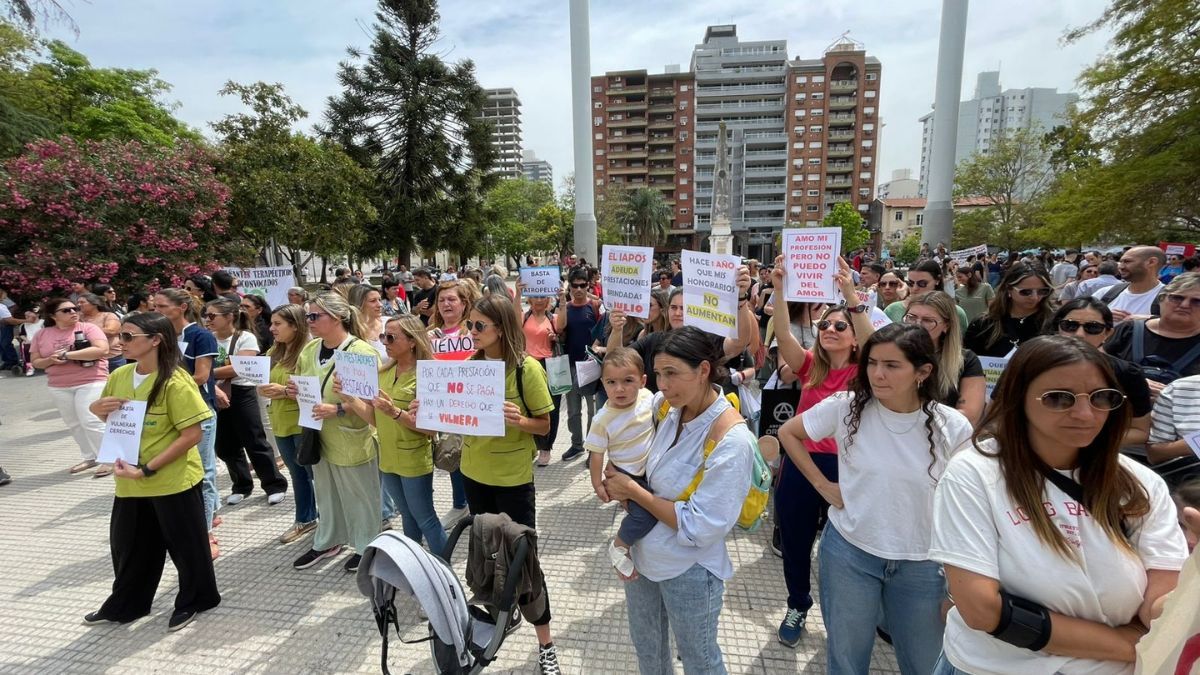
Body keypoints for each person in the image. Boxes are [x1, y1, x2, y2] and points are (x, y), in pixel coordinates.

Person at [929, 336, 1188, 674]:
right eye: (1058, 399)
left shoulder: (1141, 484)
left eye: (1101, 398)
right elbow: (982, 609)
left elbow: (1160, 608)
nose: (1084, 414)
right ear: (1018, 398)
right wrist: (1133, 645)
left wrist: (1191, 591)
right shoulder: (975, 472)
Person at [778, 324, 974, 674]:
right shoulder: (846, 407)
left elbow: (967, 509)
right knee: (847, 660)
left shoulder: (953, 427)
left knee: (925, 663)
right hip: (849, 554)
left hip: (922, 565)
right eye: (872, 363)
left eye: (892, 365)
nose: (878, 374)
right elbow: (788, 433)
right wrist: (823, 485)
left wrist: (959, 586)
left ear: (923, 371)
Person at [414, 293, 561, 673]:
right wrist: (422, 410)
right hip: (474, 476)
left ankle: (545, 645)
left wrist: (520, 421)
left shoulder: (526, 370)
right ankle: (500, 610)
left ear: (501, 328)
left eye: (480, 326)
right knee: (487, 553)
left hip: (512, 481)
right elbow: (445, 422)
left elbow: (544, 426)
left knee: (524, 563)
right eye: (470, 325)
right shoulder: (468, 367)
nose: (472, 332)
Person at [602, 326, 754, 674]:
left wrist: (634, 491)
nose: (663, 385)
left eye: (672, 374)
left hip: (689, 571)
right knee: (649, 652)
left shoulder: (731, 441)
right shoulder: (664, 409)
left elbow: (700, 526)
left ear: (703, 370)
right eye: (658, 374)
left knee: (699, 659)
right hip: (642, 559)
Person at [84, 312, 221, 631]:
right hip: (129, 480)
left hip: (172, 480)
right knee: (129, 546)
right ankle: (127, 604)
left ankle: (197, 599)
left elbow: (192, 435)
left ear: (156, 340)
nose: (120, 343)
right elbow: (114, 420)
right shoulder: (120, 375)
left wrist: (146, 469)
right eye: (120, 337)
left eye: (128, 337)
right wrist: (96, 410)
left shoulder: (175, 380)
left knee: (187, 548)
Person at [768, 260, 871, 647]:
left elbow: (873, 339)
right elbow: (782, 332)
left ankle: (843, 612)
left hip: (846, 468)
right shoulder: (810, 366)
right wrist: (779, 290)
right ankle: (797, 603)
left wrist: (849, 294)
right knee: (794, 541)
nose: (829, 329)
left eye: (839, 326)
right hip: (800, 463)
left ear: (855, 338)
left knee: (842, 549)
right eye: (825, 324)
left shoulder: (867, 372)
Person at [287, 292, 381, 573]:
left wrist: (339, 408)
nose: (309, 321)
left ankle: (368, 545)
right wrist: (294, 392)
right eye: (308, 316)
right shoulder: (309, 350)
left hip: (351, 434)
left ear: (338, 317)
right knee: (326, 492)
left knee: (360, 494)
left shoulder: (361, 353)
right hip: (318, 434)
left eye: (315, 316)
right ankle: (329, 539)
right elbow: (305, 386)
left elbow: (374, 400)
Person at [337, 315, 446, 556]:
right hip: (387, 457)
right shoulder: (383, 373)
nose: (384, 341)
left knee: (425, 518)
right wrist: (349, 398)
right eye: (382, 336)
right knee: (407, 516)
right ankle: (415, 565)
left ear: (412, 341)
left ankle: (443, 570)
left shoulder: (428, 375)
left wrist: (396, 412)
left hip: (413, 458)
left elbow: (430, 428)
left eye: (391, 337)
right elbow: (377, 420)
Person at [152, 289, 221, 558]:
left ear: (181, 307)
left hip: (198, 411)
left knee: (204, 473)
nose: (156, 310)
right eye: (154, 306)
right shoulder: (162, 337)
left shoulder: (199, 336)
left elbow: (202, 376)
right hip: (173, 413)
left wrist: (162, 391)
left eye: (162, 306)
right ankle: (211, 512)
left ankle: (205, 535)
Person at [205, 297, 288, 505]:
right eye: (207, 315)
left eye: (213, 315)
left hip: (242, 391)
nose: (208, 319)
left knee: (254, 439)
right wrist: (208, 376)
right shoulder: (208, 338)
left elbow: (238, 368)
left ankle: (273, 484)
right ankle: (241, 484)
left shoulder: (245, 337)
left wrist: (205, 373)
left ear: (229, 316)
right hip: (215, 391)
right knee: (224, 444)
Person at [586, 348, 656, 575]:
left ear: (643, 381)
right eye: (611, 382)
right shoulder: (602, 419)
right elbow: (596, 455)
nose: (619, 388)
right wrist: (597, 484)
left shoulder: (649, 398)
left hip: (653, 470)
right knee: (645, 516)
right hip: (629, 475)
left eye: (628, 380)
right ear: (603, 384)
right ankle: (620, 545)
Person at [29, 297, 111, 476]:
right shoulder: (42, 335)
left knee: (91, 420)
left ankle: (110, 459)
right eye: (66, 310)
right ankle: (90, 456)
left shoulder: (88, 328)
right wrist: (49, 360)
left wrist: (67, 355)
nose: (73, 312)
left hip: (91, 379)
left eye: (74, 309)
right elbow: (35, 362)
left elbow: (102, 350)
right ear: (53, 315)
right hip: (58, 384)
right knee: (73, 423)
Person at [258, 304, 319, 544]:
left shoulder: (310, 351)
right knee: (297, 474)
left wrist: (283, 391)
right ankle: (306, 518)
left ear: (295, 325)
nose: (271, 328)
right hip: (281, 421)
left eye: (277, 324)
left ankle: (328, 519)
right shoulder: (275, 350)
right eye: (271, 323)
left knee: (313, 474)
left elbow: (314, 388)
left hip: (302, 422)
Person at [428, 280, 480, 526]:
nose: (446, 304)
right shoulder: (430, 334)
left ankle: (476, 503)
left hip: (471, 404)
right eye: (441, 300)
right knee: (451, 454)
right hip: (443, 405)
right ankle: (460, 503)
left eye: (452, 299)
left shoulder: (472, 331)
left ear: (464, 303)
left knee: (473, 454)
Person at [1103, 273, 1200, 399]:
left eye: (1197, 301)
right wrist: (1134, 382)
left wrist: (1172, 395)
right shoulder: (1128, 330)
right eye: (1177, 298)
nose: (1185, 305)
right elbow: (1098, 365)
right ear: (1161, 300)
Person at [901, 291, 986, 426]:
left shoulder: (966, 360)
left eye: (928, 321)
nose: (917, 325)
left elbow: (969, 415)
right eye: (911, 317)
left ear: (946, 326)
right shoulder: (892, 355)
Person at [557, 268, 602, 462]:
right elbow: (559, 328)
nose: (578, 289)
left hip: (591, 366)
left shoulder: (595, 306)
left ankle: (592, 449)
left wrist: (595, 350)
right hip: (569, 364)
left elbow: (602, 332)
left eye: (582, 285)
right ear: (570, 286)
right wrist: (560, 304)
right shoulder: (565, 308)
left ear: (588, 285)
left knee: (593, 411)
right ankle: (577, 445)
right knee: (574, 411)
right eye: (574, 285)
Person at [964, 262, 1056, 357]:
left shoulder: (1056, 321)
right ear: (1009, 289)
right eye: (1026, 292)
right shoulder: (983, 324)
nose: (1034, 297)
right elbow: (969, 362)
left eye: (1042, 291)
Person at [518, 285, 562, 468]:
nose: (539, 300)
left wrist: (555, 337)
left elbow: (562, 329)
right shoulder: (524, 316)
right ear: (529, 299)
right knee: (529, 406)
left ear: (548, 299)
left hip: (550, 365)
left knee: (552, 407)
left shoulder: (554, 318)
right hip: (529, 364)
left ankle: (546, 447)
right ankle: (534, 445)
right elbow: (513, 317)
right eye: (535, 296)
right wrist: (518, 292)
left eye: (543, 296)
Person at [884, 260, 969, 329]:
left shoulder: (956, 312)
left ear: (937, 280)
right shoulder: (892, 310)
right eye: (910, 283)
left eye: (922, 283)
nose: (915, 288)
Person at [1094, 245, 1167, 322]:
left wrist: (1150, 321)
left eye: (1127, 261)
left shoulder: (1170, 298)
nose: (1120, 267)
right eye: (1121, 262)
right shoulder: (1106, 293)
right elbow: (1081, 314)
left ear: (1151, 262)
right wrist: (1100, 315)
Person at [77, 292, 125, 372]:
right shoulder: (78, 317)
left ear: (94, 304)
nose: (79, 305)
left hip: (112, 358)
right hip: (89, 358)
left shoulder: (108, 315)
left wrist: (88, 329)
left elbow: (112, 331)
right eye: (78, 303)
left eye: (82, 302)